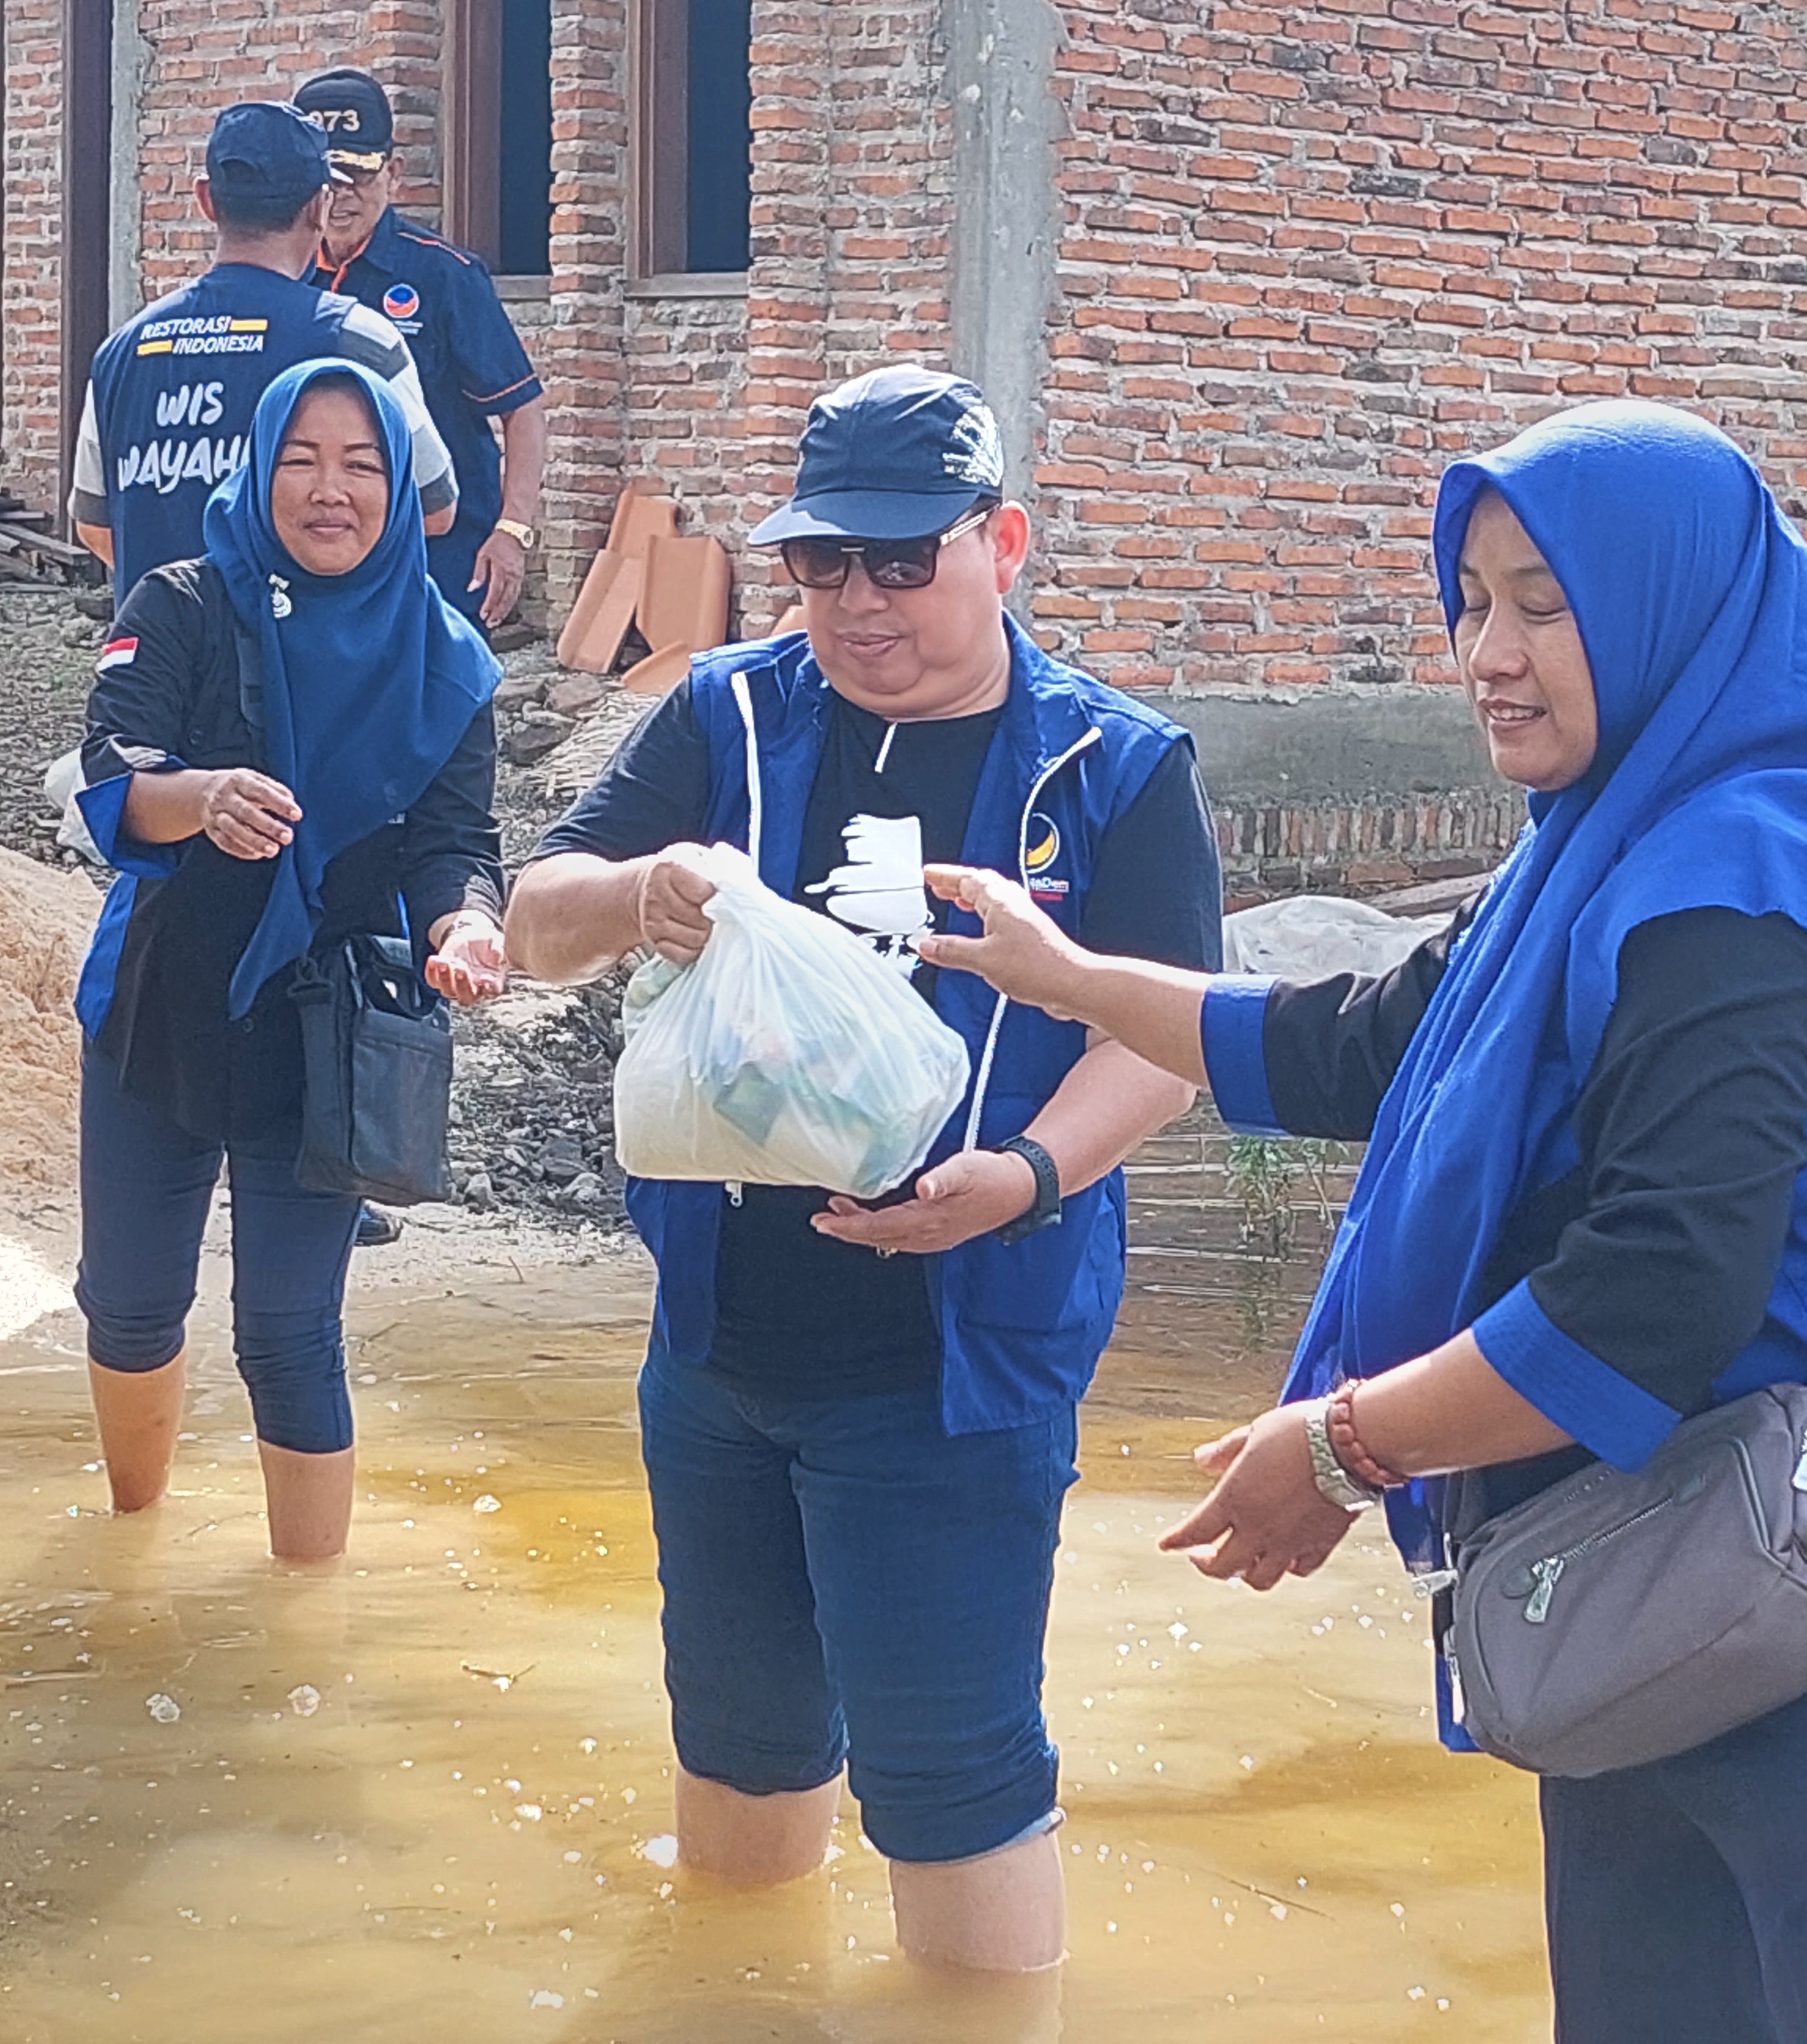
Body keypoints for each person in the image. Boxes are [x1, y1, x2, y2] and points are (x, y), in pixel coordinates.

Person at [917, 403, 1807, 2040]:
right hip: (1636, 1582)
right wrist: (1061, 974)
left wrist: (1338, 1445)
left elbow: (1650, 1295)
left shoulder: (1747, 884)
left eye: (1545, 603)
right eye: (1467, 599)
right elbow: (1364, 1040)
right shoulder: (1593, 860)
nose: (1486, 649)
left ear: (1668, 606)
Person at [502, 366, 1225, 1973]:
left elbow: (1168, 1042)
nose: (858, 600)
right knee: (737, 1763)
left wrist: (1027, 1176)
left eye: (904, 560)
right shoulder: (727, 714)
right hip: (718, 1353)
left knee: (954, 1785)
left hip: (958, 1366)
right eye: (825, 563)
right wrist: (644, 893)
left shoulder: (1111, 765)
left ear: (1003, 544)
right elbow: (533, 919)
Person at [57, 360, 512, 1564]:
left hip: (327, 1031)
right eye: (302, 460)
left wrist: (463, 926)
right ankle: (126, 1546)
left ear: (402, 491)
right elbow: (110, 774)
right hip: (164, 1004)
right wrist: (197, 798)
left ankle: (305, 1623)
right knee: (132, 1299)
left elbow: (456, 845)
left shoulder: (448, 660)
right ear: (259, 474)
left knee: (289, 1328)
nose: (331, 490)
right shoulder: (183, 604)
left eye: (363, 465)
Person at [70, 100, 463, 606]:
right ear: (320, 206)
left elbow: (97, 529)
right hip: (304, 667)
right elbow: (435, 509)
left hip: (156, 667)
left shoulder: (121, 352)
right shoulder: (356, 338)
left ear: (207, 201)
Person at [294, 66, 549, 633]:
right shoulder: (280, 278)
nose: (339, 197)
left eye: (358, 175)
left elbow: (521, 407)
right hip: (322, 546)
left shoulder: (443, 275)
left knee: (446, 710)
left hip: (440, 549)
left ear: (393, 173)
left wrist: (511, 530)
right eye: (324, 178)